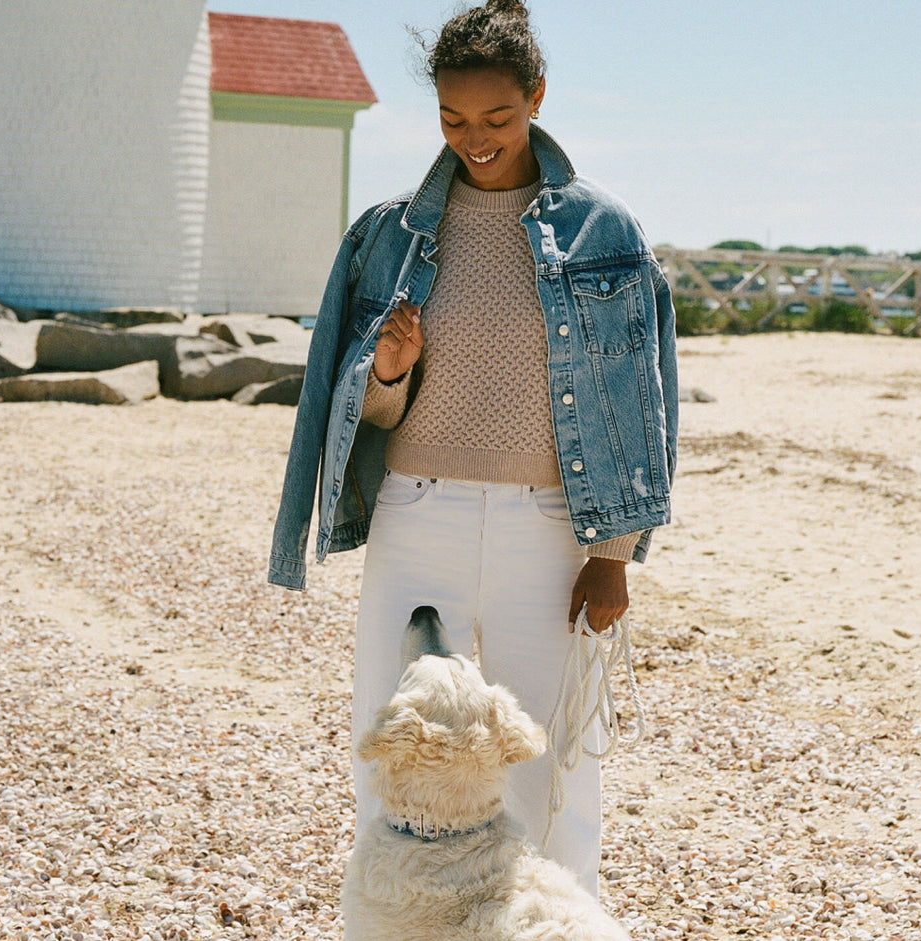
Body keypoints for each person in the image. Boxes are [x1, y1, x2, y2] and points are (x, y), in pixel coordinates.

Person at [268, 0, 678, 895]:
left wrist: (614, 555)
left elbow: (639, 400)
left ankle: (555, 920)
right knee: (394, 746)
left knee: (554, 762)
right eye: (453, 120)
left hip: (551, 530)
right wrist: (388, 372)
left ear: (537, 97)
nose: (474, 139)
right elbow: (371, 417)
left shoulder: (605, 233)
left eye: (496, 117)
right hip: (418, 516)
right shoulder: (388, 235)